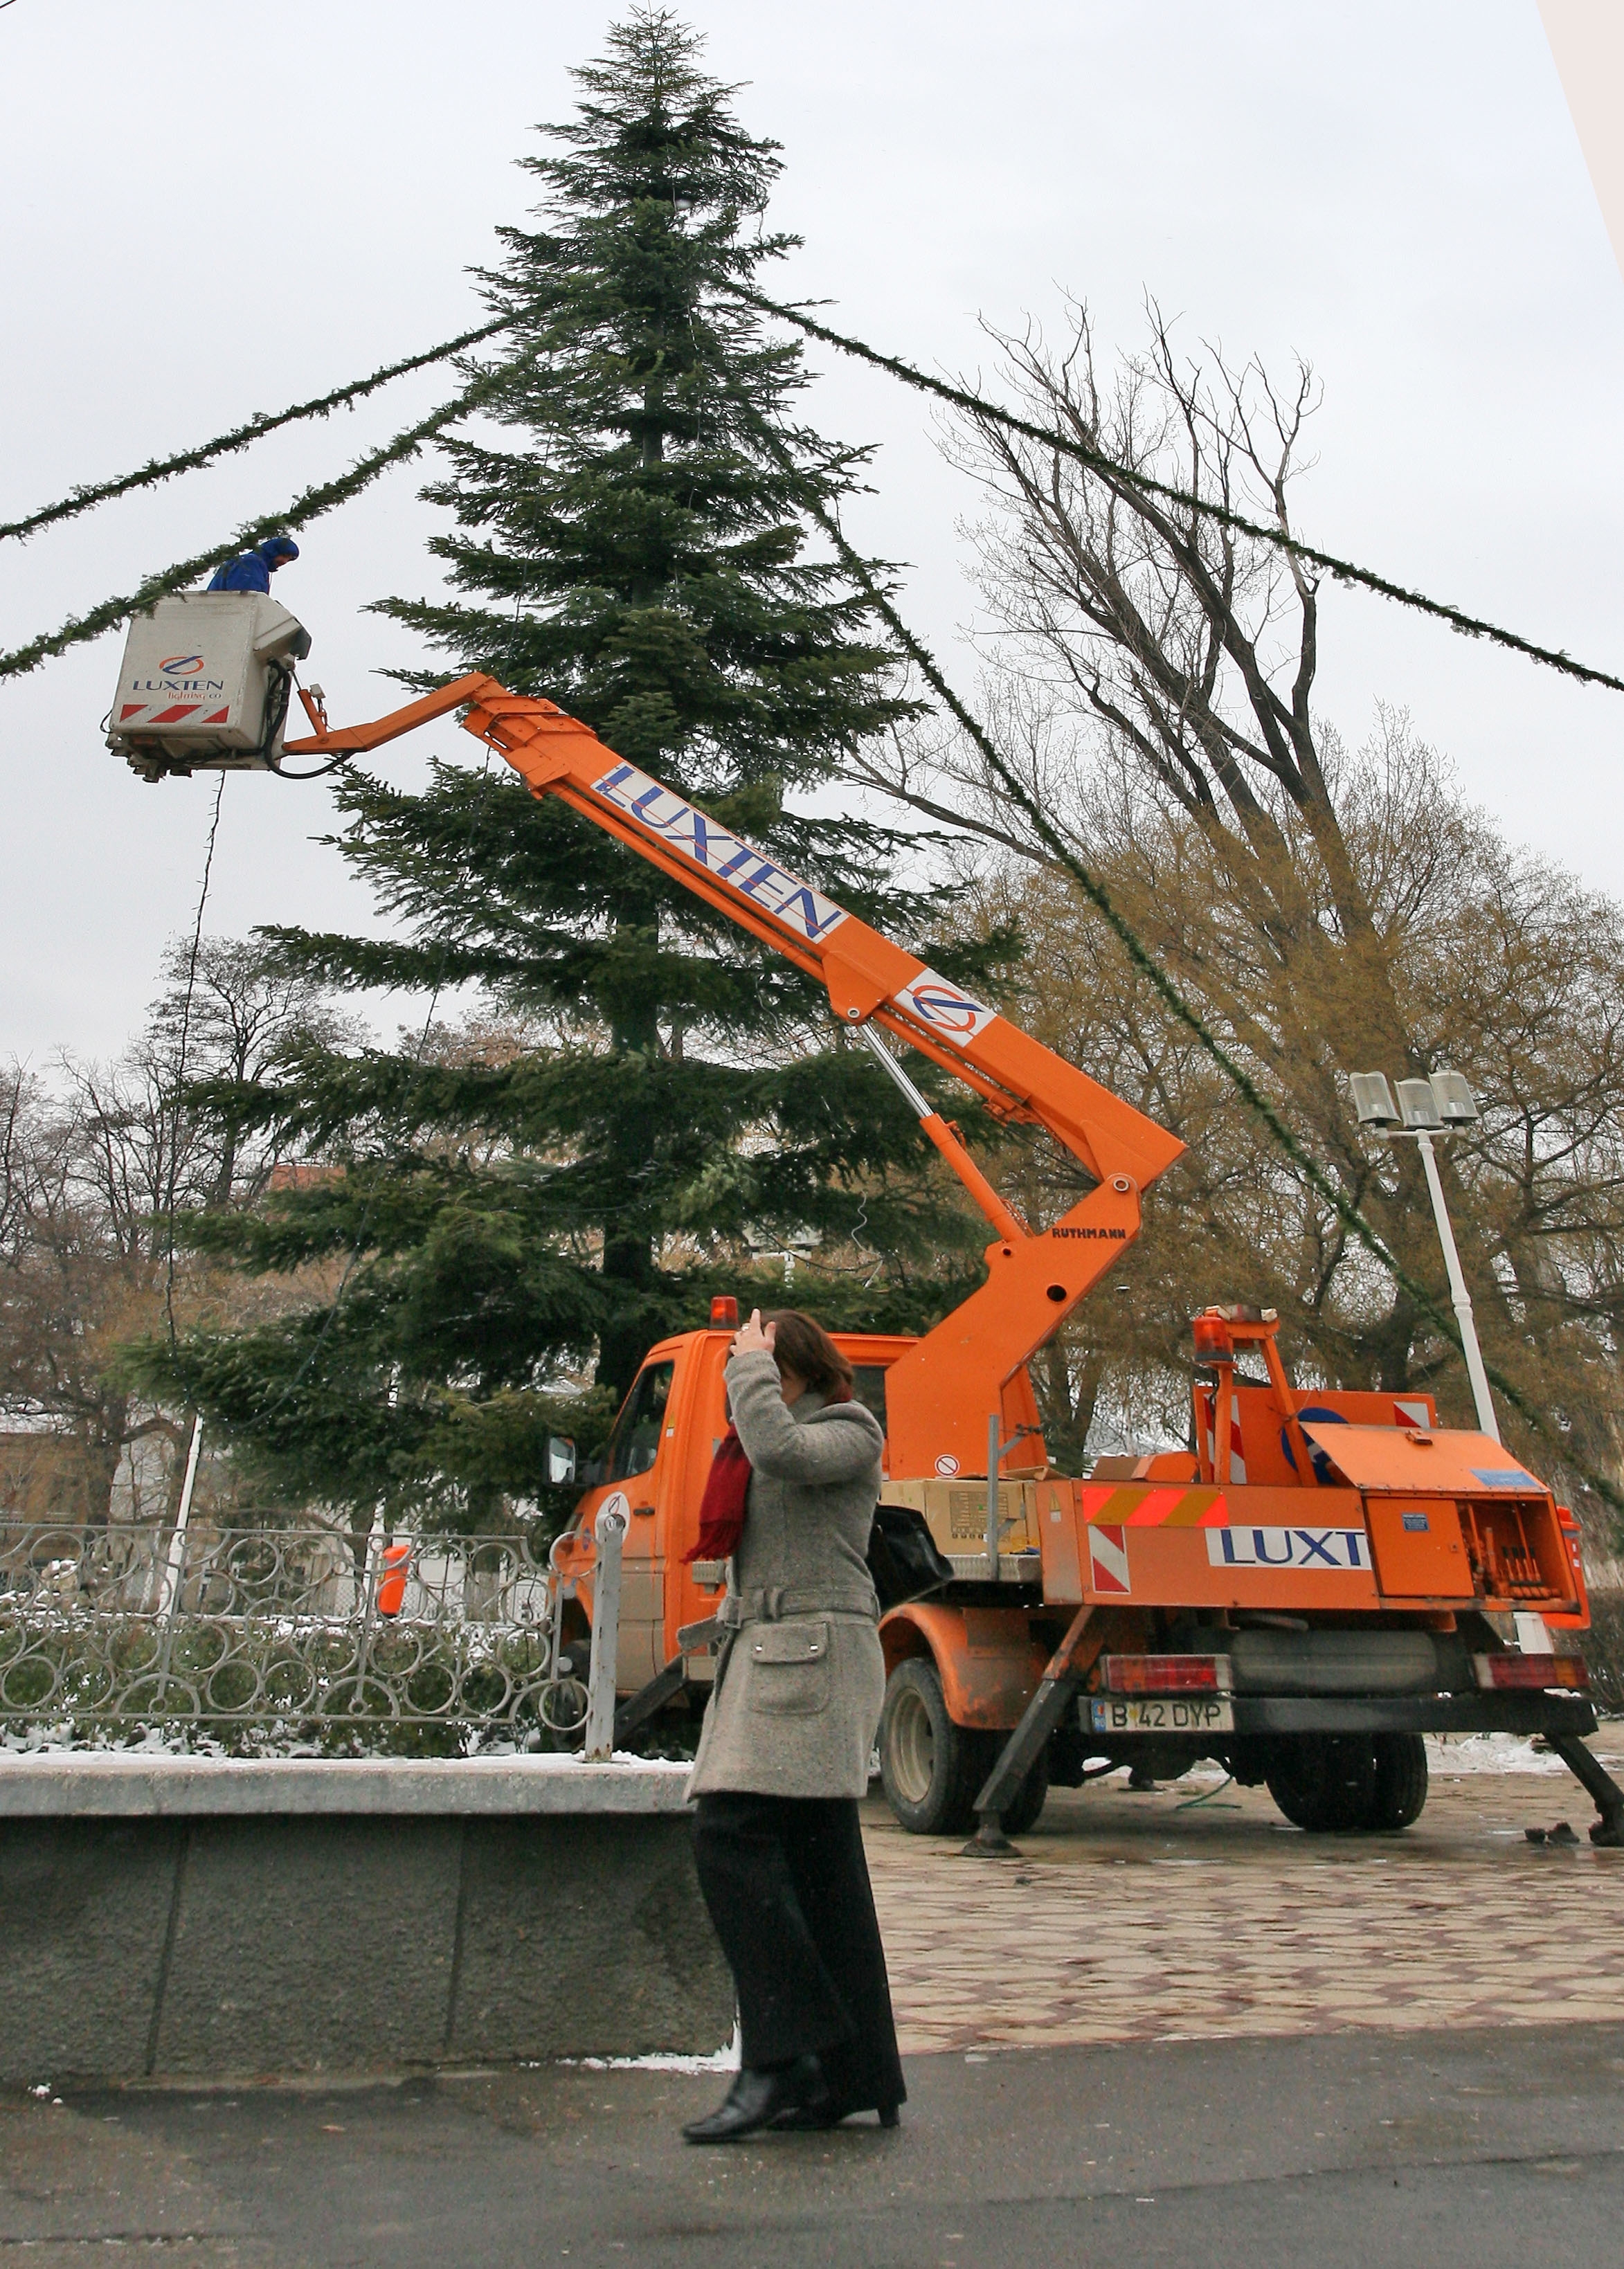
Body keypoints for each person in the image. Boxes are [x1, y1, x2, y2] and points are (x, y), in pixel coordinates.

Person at [681, 1307, 905, 2146]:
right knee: (821, 1863)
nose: (749, 1386)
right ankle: (856, 2074)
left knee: (728, 1833)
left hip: (813, 1658)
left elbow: (782, 1448)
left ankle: (783, 2058)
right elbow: (762, 1449)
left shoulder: (850, 1428)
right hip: (770, 1654)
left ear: (799, 1369)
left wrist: (746, 1365)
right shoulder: (756, 1435)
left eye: (765, 1370)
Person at [206, 535, 299, 593]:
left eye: (289, 559)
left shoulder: (252, 563)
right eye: (284, 555)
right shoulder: (251, 563)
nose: (284, 562)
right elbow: (248, 600)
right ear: (273, 551)